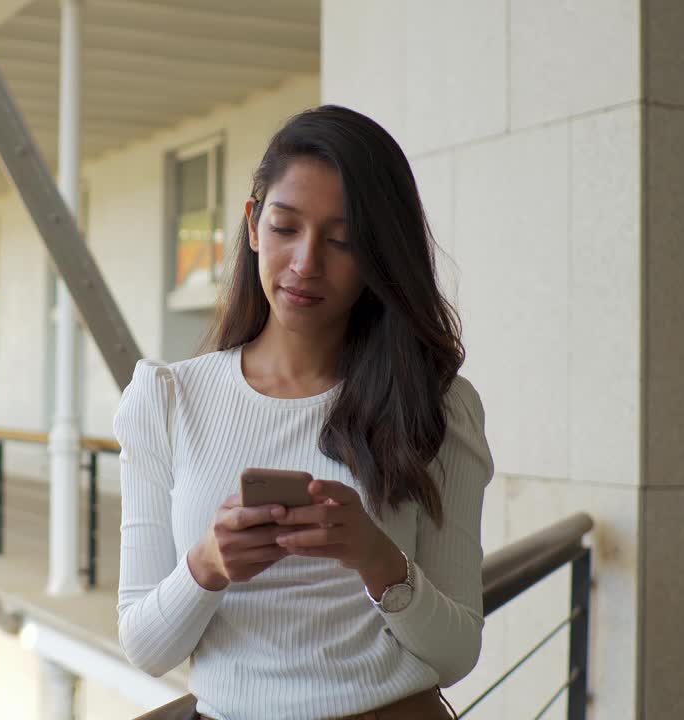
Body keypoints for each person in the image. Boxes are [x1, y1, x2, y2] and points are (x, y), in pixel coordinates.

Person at [114, 105, 494, 720]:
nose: (306, 263)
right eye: (286, 227)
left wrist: (376, 557)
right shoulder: (166, 399)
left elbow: (456, 652)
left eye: (342, 241)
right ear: (253, 224)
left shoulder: (436, 406)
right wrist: (209, 564)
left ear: (379, 257)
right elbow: (146, 645)